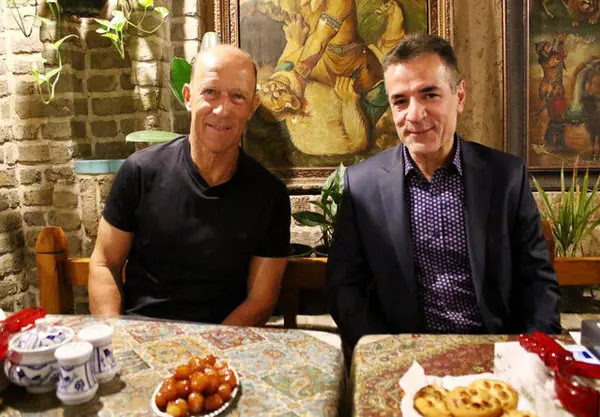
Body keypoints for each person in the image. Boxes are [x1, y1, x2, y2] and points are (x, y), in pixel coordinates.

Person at [326, 34, 561, 350]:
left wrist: (532, 353)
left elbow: (537, 281)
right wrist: (383, 351)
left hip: (496, 350)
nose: (414, 115)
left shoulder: (505, 177)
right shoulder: (362, 185)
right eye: (400, 101)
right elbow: (344, 288)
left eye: (429, 95)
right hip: (403, 353)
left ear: (459, 96)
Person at [88, 45, 291, 326]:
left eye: (237, 96)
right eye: (210, 92)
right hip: (141, 336)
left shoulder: (270, 196)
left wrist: (207, 348)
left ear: (252, 106)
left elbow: (260, 300)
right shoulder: (140, 172)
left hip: (224, 342)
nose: (222, 110)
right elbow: (104, 263)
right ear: (188, 97)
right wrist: (116, 335)